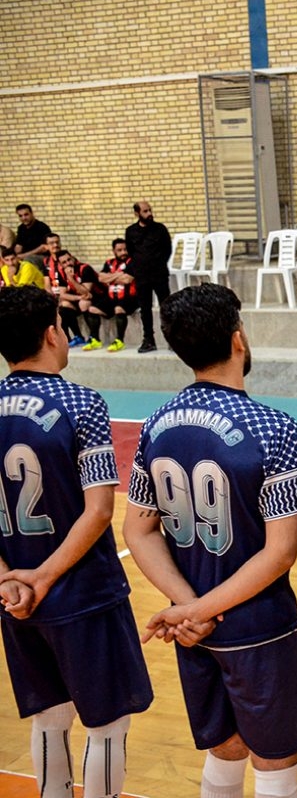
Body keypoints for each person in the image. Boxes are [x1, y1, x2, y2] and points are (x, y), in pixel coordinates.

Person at [124, 283, 297, 798]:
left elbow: (137, 529)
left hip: (194, 629)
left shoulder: (155, 425)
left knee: (224, 747)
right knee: (274, 759)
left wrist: (188, 607)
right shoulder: (274, 428)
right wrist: (201, 609)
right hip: (258, 625)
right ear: (238, 339)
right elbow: (281, 551)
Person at [0, 285, 153, 798]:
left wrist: (8, 579)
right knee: (107, 723)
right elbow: (100, 509)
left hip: (14, 595)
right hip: (84, 592)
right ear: (52, 334)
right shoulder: (80, 402)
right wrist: (44, 577)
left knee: (48, 715)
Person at [124, 201, 172, 353]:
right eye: (145, 211)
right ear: (137, 213)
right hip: (142, 276)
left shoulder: (160, 229)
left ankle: (172, 339)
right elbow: (131, 252)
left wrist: (157, 263)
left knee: (167, 306)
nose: (149, 213)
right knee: (145, 309)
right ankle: (149, 340)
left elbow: (167, 249)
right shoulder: (131, 231)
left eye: (150, 210)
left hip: (159, 274)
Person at [96, 238, 137, 352]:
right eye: (119, 250)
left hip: (130, 297)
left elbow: (127, 280)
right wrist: (118, 274)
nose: (123, 252)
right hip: (112, 297)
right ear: (114, 251)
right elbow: (100, 278)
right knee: (92, 309)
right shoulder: (109, 263)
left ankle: (119, 340)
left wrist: (110, 277)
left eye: (125, 249)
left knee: (119, 309)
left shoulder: (132, 262)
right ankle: (95, 339)